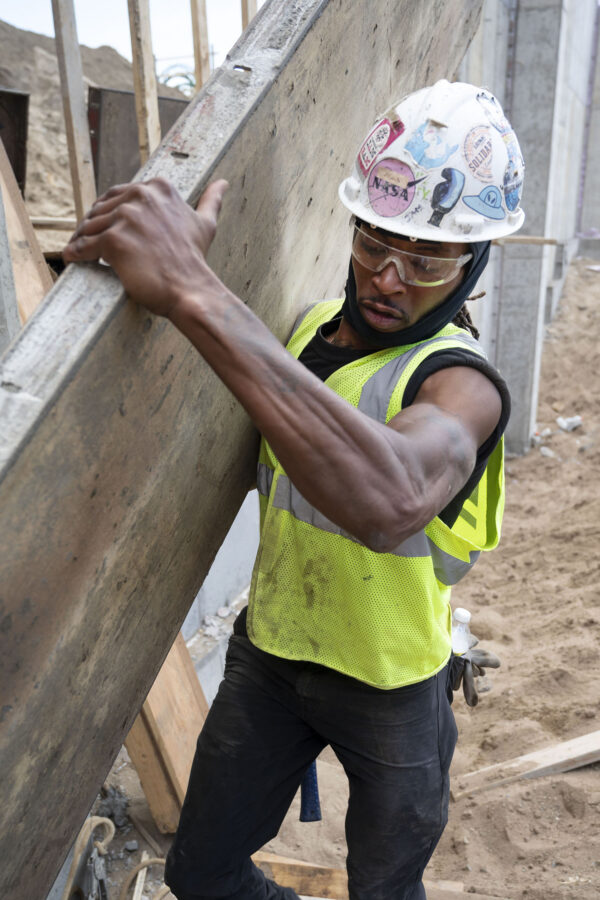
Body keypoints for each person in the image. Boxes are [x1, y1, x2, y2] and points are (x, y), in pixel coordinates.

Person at [64, 80, 524, 900]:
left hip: (394, 688)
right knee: (203, 874)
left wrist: (194, 288)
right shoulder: (309, 330)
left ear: (472, 267)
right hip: (273, 656)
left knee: (384, 888)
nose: (387, 279)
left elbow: (392, 499)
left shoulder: (462, 386)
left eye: (423, 262)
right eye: (373, 245)